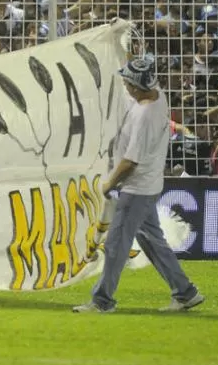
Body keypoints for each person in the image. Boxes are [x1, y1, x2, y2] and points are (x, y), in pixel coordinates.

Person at [74, 58, 206, 314]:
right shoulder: (157, 95)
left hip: (136, 188)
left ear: (136, 86)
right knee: (153, 242)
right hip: (149, 184)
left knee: (115, 245)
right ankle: (186, 293)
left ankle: (102, 301)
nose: (125, 86)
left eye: (127, 82)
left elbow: (131, 161)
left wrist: (108, 183)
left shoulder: (146, 115)